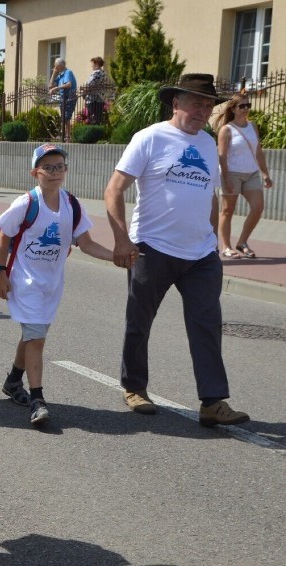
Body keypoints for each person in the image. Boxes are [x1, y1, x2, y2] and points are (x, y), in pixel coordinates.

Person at [104, 73, 250, 427]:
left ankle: (212, 402)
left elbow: (211, 196)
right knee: (139, 322)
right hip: (152, 249)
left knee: (206, 325)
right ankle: (134, 387)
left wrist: (215, 242)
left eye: (208, 105)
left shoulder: (206, 143)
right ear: (176, 102)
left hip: (200, 255)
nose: (203, 110)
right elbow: (115, 189)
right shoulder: (150, 137)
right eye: (196, 102)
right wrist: (122, 239)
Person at [0, 143, 116, 426]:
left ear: (66, 170)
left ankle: (13, 381)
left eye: (59, 166)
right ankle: (37, 400)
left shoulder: (71, 205)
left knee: (31, 334)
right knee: (36, 338)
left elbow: (85, 243)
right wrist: (0, 272)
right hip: (25, 282)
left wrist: (117, 257)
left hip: (52, 283)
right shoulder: (26, 203)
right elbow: (2, 236)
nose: (54, 172)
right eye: (47, 167)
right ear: (34, 172)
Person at [215, 93, 273, 259]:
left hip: (252, 173)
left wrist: (265, 174)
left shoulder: (252, 126)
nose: (246, 109)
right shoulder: (226, 130)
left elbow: (258, 151)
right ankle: (226, 246)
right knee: (227, 210)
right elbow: (222, 157)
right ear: (233, 109)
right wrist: (225, 178)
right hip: (232, 173)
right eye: (242, 106)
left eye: (248, 105)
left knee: (258, 207)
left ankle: (242, 242)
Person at [48, 58, 77, 142]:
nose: (54, 67)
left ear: (59, 65)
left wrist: (57, 88)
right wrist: (53, 73)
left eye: (55, 65)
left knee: (66, 117)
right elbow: (50, 86)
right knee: (64, 118)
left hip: (70, 97)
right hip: (63, 99)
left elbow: (69, 84)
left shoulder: (68, 72)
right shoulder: (60, 75)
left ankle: (67, 137)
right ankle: (65, 135)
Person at [83, 56, 108, 125]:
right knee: (98, 119)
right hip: (100, 98)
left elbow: (89, 85)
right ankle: (97, 133)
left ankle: (92, 133)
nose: (92, 66)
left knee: (91, 118)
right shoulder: (104, 73)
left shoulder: (96, 73)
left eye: (92, 64)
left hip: (93, 99)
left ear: (96, 64)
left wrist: (84, 92)